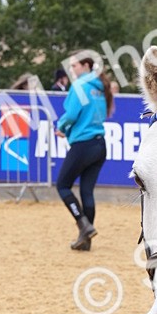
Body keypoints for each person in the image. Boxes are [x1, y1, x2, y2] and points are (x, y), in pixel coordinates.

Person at [54, 56, 111, 250]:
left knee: (62, 185)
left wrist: (62, 127)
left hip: (83, 143)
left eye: (75, 65)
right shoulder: (99, 87)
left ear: (86, 66)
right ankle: (86, 241)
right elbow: (99, 114)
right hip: (99, 143)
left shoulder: (79, 85)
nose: (72, 69)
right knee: (87, 191)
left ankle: (83, 224)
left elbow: (71, 114)